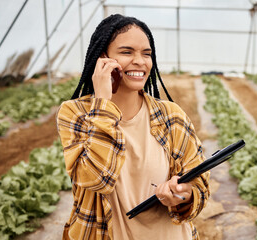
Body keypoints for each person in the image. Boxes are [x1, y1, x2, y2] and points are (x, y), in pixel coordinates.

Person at [56, 14, 210, 240]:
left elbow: (200, 189)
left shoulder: (172, 116)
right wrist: (103, 104)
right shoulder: (76, 113)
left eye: (146, 54)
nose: (140, 61)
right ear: (102, 58)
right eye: (127, 52)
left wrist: (184, 195)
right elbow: (97, 179)